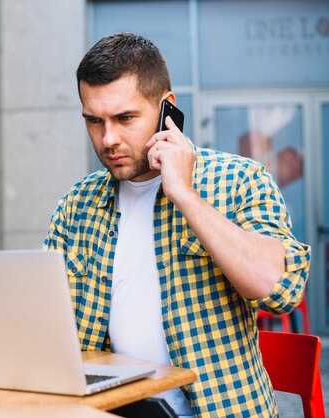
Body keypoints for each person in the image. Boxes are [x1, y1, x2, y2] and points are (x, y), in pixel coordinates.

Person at [43, 33, 311, 417]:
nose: (108, 139)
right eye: (93, 121)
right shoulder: (77, 205)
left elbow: (275, 288)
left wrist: (183, 193)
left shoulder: (239, 179)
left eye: (125, 118)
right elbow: (45, 322)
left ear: (167, 108)